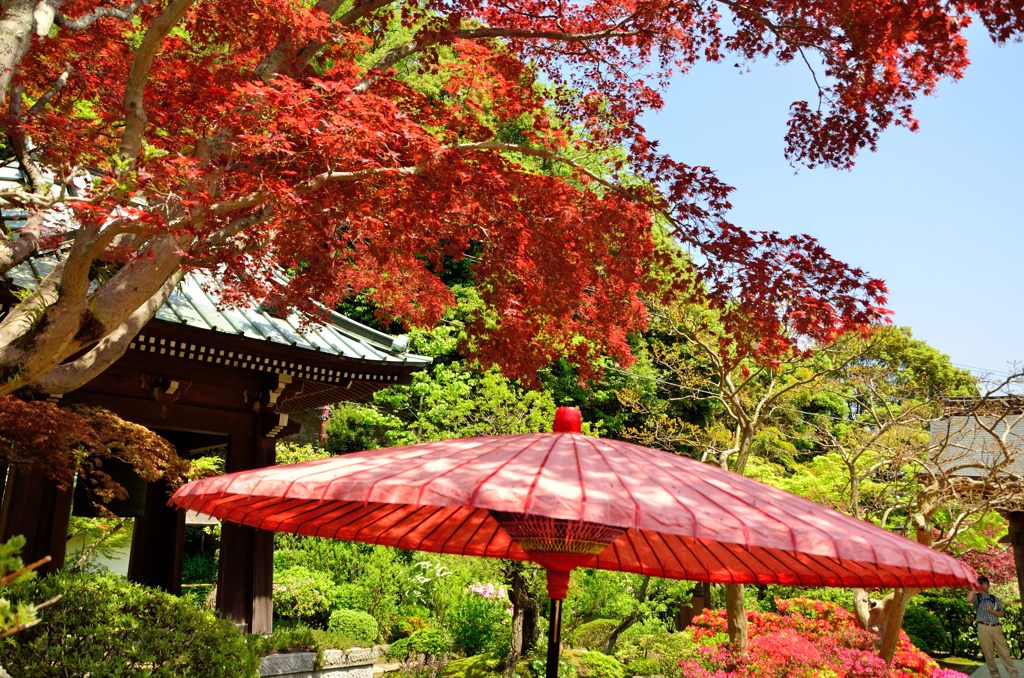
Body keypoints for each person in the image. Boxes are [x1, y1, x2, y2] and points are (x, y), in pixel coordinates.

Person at [969, 575, 1019, 678]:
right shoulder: (977, 597)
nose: (983, 585)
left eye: (985, 583)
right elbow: (969, 599)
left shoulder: (994, 598)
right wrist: (974, 587)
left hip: (996, 627)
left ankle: (1014, 675)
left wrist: (993, 611)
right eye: (981, 583)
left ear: (988, 585)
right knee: (988, 654)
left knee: (1004, 652)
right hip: (983, 628)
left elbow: (1001, 614)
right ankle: (995, 675)